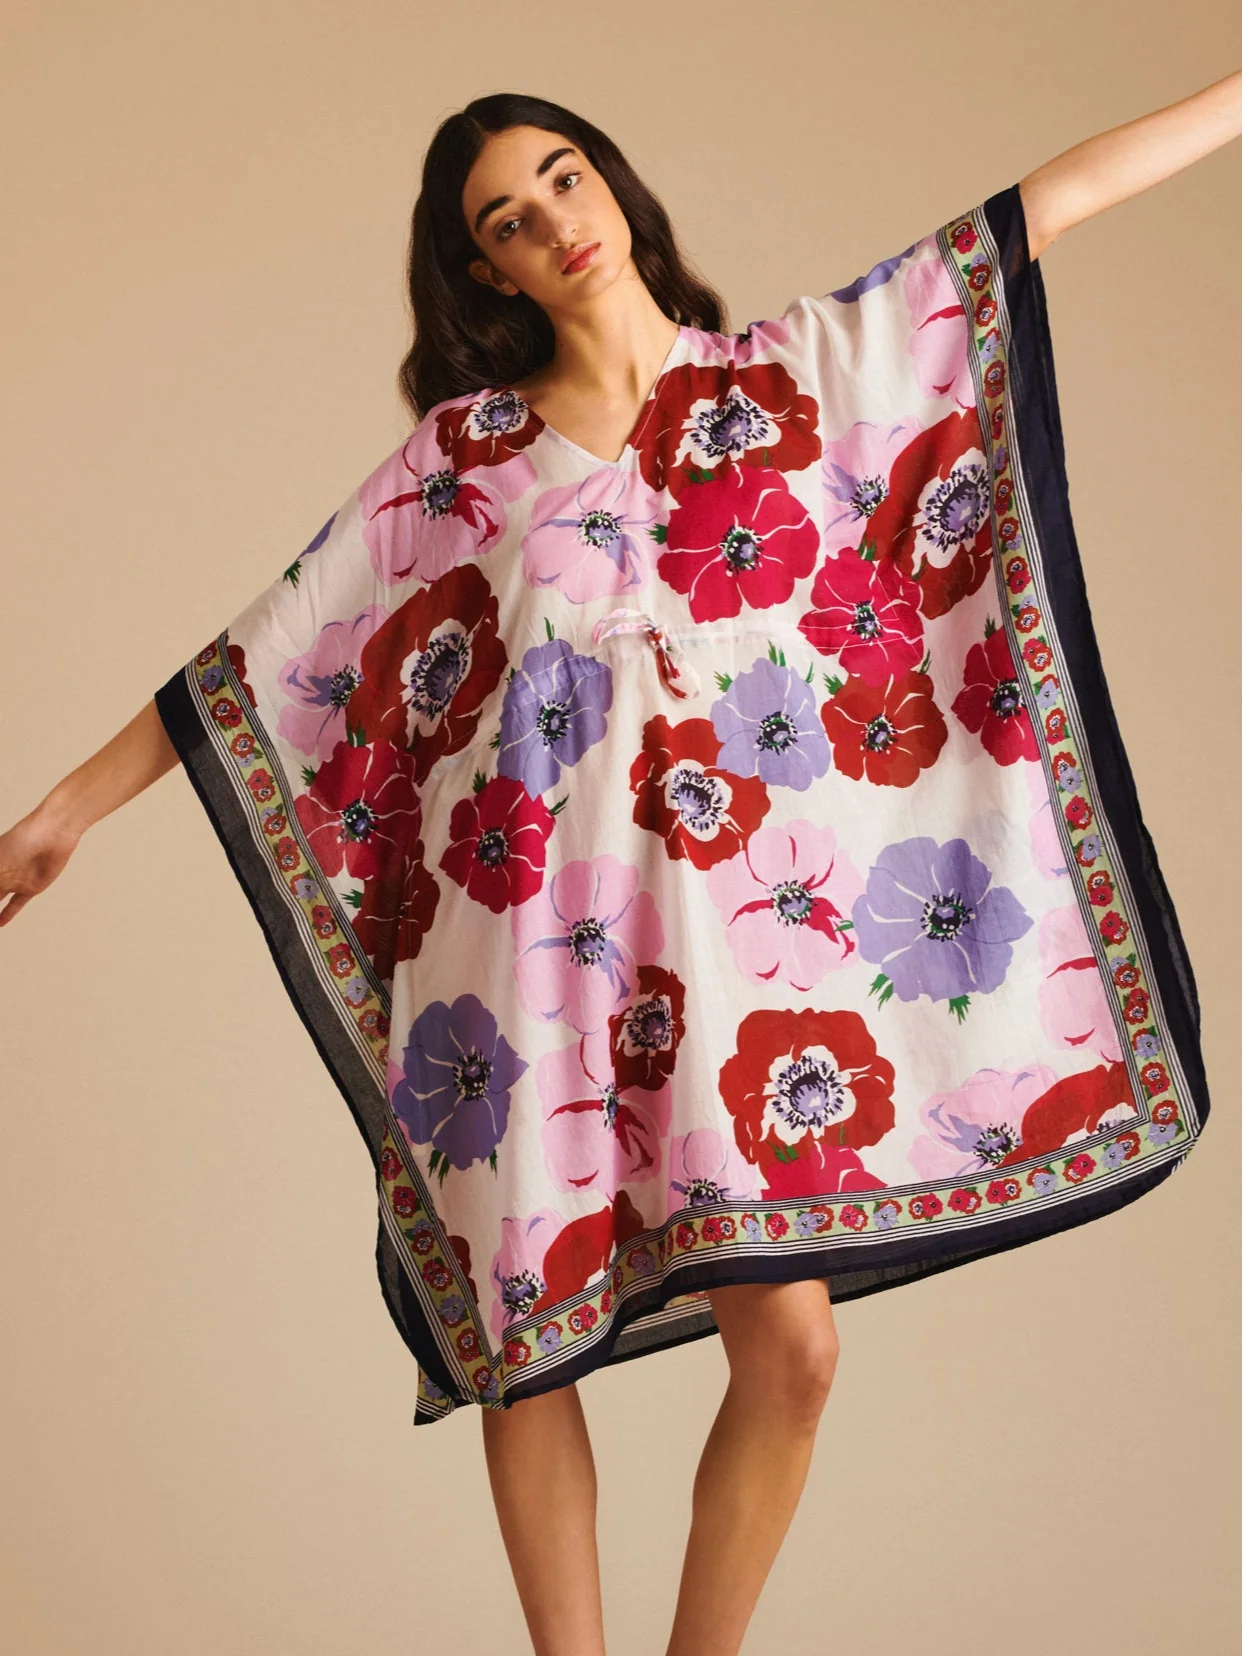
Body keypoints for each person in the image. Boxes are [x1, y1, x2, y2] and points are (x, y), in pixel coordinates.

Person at [2, 75, 1237, 1656]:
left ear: (614, 187)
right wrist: (66, 809)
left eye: (563, 177)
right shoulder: (461, 463)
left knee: (789, 1352)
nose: (551, 222)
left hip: (734, 977)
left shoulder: (789, 377)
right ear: (488, 271)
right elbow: (266, 659)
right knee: (530, 1342)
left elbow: (1034, 213)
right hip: (523, 962)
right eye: (506, 219)